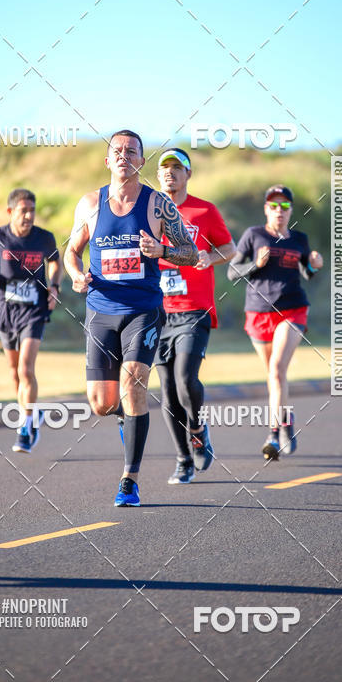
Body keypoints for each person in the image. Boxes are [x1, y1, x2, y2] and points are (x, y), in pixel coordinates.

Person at [64, 130, 198, 507]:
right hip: (100, 310)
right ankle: (129, 417)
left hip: (143, 310)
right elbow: (71, 251)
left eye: (132, 151)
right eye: (117, 151)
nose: (124, 155)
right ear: (107, 160)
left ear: (141, 161)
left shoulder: (158, 205)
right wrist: (75, 275)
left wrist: (162, 250)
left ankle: (129, 481)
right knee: (102, 404)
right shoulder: (90, 204)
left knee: (134, 381)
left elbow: (191, 253)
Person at [154, 149, 235, 484]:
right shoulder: (147, 211)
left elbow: (229, 248)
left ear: (188, 174)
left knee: (186, 379)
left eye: (177, 167)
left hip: (194, 310)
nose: (170, 172)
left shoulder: (204, 210)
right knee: (168, 390)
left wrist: (209, 257)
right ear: (157, 175)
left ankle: (198, 430)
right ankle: (183, 459)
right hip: (157, 312)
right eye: (165, 168)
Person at [227, 185, 323, 460]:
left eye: (284, 206)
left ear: (291, 210)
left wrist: (314, 264)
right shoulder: (253, 235)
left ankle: (273, 433)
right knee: (273, 375)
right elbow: (232, 272)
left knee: (278, 370)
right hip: (258, 313)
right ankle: (286, 419)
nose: (279, 210)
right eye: (273, 205)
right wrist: (255, 264)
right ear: (266, 209)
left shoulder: (299, 239)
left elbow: (306, 272)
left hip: (292, 310)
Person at [0, 188, 62, 453]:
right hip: (6, 313)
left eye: (32, 211)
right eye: (23, 211)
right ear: (10, 212)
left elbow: (55, 262)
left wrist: (54, 286)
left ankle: (25, 427)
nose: (29, 216)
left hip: (35, 311)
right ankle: (32, 412)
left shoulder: (44, 238)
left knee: (26, 369)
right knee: (14, 372)